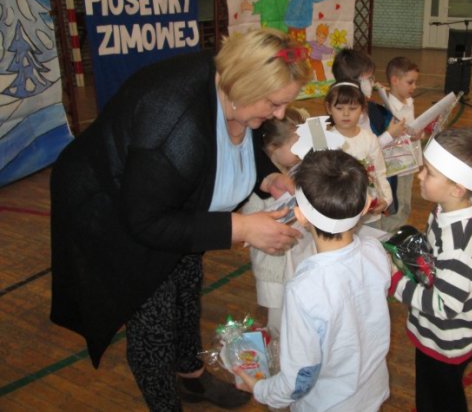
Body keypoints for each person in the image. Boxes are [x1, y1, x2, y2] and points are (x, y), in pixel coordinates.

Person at [49, 28, 310, 411]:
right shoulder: (175, 124)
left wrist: (267, 177)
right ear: (244, 87)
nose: (280, 114)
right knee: (153, 322)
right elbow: (146, 222)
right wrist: (241, 228)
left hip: (170, 203)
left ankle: (191, 375)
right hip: (114, 209)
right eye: (274, 104)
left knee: (186, 287)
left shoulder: (231, 89)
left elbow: (242, 139)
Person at [233, 149, 392, 411]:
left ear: (300, 215)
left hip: (327, 405)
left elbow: (299, 378)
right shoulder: (376, 252)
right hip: (371, 393)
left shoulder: (304, 289)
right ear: (365, 206)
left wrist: (261, 390)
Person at [390, 127, 472, 412]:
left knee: (443, 402)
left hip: (446, 341)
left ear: (457, 188)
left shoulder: (459, 245)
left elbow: (443, 305)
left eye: (429, 173)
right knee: (428, 397)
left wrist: (394, 281)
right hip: (432, 332)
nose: (419, 176)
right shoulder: (445, 208)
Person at [241, 108, 315, 338]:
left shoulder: (291, 173)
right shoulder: (256, 190)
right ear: (273, 148)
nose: (302, 151)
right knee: (278, 323)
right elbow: (251, 227)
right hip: (274, 269)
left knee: (296, 318)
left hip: (297, 262)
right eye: (296, 145)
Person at [324, 82, 393, 225]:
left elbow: (380, 172)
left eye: (353, 108)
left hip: (370, 213)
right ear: (329, 108)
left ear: (362, 108)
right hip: (340, 213)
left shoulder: (370, 139)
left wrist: (386, 199)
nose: (346, 113)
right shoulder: (325, 141)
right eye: (339, 108)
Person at [379, 56, 422, 232]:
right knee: (399, 205)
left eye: (415, 82)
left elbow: (410, 129)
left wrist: (418, 133)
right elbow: (389, 137)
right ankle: (389, 235)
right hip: (399, 165)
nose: (414, 86)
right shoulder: (388, 108)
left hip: (410, 161)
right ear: (395, 80)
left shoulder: (409, 101)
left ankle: (394, 232)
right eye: (410, 82)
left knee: (404, 202)